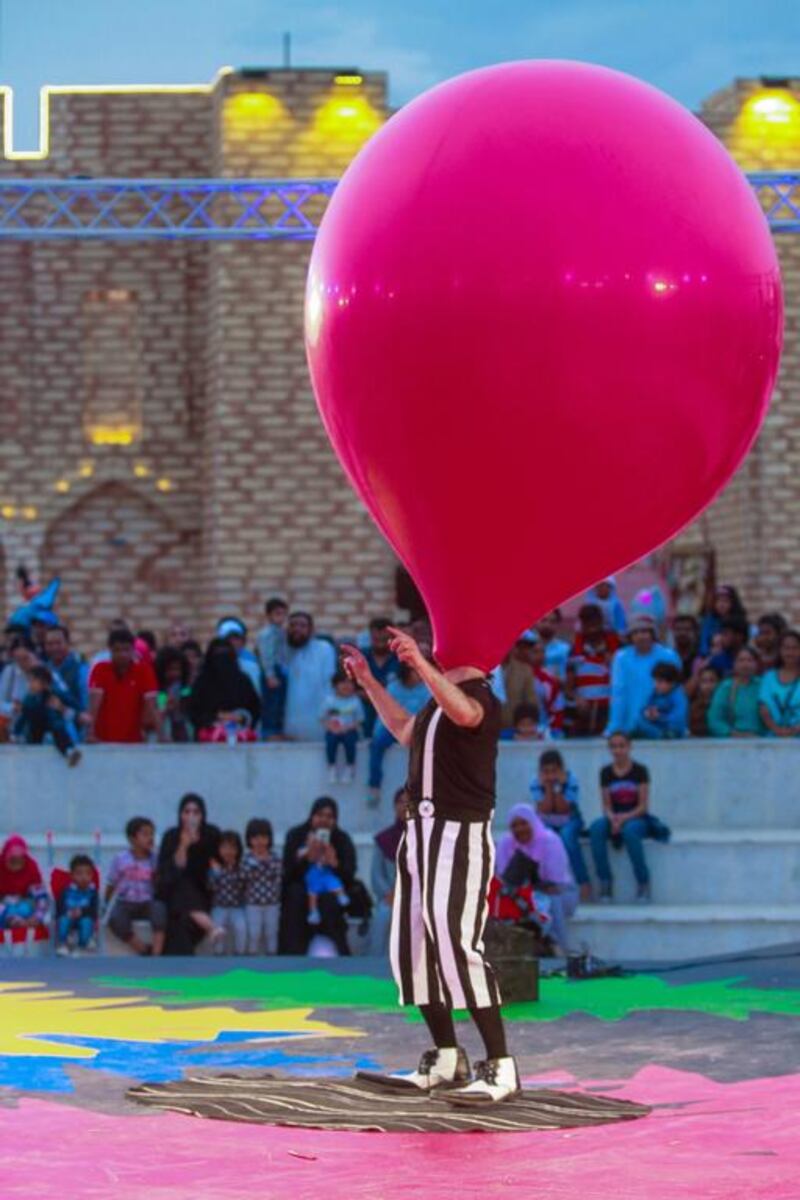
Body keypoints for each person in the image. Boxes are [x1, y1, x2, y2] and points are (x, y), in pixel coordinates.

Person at [343, 627, 520, 1106]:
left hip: (458, 833)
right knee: (413, 944)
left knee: (456, 941)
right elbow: (405, 730)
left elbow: (467, 715)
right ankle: (446, 1057)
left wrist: (421, 666)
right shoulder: (436, 703)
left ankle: (501, 1066)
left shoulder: (480, 696)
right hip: (420, 832)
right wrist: (368, 683)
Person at [590, 733, 668, 903]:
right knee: (596, 829)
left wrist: (623, 819)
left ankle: (643, 882)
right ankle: (605, 880)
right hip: (615, 817)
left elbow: (643, 806)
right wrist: (613, 819)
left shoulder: (640, 770)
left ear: (629, 747)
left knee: (631, 832)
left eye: (621, 746)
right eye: (614, 746)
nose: (618, 750)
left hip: (636, 817)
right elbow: (606, 806)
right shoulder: (605, 772)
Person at [494, 804, 578, 954]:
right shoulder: (506, 843)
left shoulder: (550, 841)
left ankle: (559, 947)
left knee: (551, 900)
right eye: (515, 825)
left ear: (533, 822)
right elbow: (505, 879)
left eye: (524, 823)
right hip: (524, 892)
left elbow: (555, 881)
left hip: (563, 892)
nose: (520, 829)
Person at [281, 797, 356, 956]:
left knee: (330, 899)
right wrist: (306, 858)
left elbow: (349, 876)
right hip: (302, 891)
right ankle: (293, 956)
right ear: (312, 816)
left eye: (330, 816)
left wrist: (334, 863)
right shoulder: (296, 835)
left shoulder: (342, 839)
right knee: (296, 894)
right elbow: (287, 875)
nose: (324, 820)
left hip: (329, 892)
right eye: (320, 815)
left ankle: (339, 956)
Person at [156, 794, 222, 954]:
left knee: (180, 922)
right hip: (173, 890)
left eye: (196, 812)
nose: (191, 816)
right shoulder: (171, 836)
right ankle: (210, 927)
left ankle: (181, 968)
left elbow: (217, 866)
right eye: (187, 812)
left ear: (202, 815)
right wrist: (184, 845)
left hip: (201, 892)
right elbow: (172, 870)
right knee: (181, 884)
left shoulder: (211, 834)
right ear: (180, 814)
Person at [604, 614, 681, 737]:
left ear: (652, 634)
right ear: (630, 636)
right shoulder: (622, 658)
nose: (640, 636)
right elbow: (618, 693)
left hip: (663, 725)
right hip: (630, 726)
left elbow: (676, 691)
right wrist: (615, 727)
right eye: (636, 632)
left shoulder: (669, 656)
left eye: (645, 631)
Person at [530, 749, 590, 902]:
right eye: (546, 771)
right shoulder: (536, 783)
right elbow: (545, 808)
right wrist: (549, 788)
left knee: (567, 837)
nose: (550, 775)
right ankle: (545, 885)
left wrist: (557, 787)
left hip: (570, 820)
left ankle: (583, 883)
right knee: (545, 840)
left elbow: (564, 808)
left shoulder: (571, 780)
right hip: (547, 821)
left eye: (554, 771)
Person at [367, 663, 430, 805]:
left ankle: (422, 789)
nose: (419, 674)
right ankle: (374, 787)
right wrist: (376, 734)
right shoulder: (393, 688)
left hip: (417, 730)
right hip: (393, 729)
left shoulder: (426, 689)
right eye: (415, 671)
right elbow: (383, 713)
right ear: (406, 673)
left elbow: (428, 715)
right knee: (376, 744)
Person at [106, 816, 167, 956]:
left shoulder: (155, 859)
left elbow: (159, 883)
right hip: (126, 901)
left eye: (152, 834)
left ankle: (157, 953)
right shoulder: (121, 859)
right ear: (132, 839)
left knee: (160, 910)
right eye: (145, 834)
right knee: (115, 918)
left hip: (147, 901)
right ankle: (143, 949)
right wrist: (107, 902)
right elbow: (111, 883)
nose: (150, 838)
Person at [87, 628, 159, 743]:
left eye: (126, 650)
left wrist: (162, 735)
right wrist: (90, 733)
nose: (122, 654)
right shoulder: (100, 669)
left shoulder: (144, 671)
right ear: (110, 650)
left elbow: (152, 705)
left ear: (133, 650)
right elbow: (94, 704)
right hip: (103, 741)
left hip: (134, 742)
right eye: (117, 650)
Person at [188, 638, 261, 742]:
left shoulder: (243, 681)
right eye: (218, 654)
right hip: (208, 743)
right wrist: (216, 717)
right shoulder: (202, 682)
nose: (222, 659)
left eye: (225, 654)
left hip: (240, 741)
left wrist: (240, 718)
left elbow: (255, 709)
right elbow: (194, 712)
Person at [566, 603, 621, 737]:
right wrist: (577, 698)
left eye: (594, 623)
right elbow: (568, 687)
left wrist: (613, 664)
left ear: (601, 622)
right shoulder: (574, 650)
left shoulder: (617, 648)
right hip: (583, 712)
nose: (591, 629)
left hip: (610, 711)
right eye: (587, 623)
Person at [284, 612, 338, 741]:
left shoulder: (324, 649)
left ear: (311, 630)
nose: (297, 629)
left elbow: (329, 684)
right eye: (293, 625)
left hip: (318, 720)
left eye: (302, 626)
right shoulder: (282, 651)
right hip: (289, 723)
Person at [14, 666, 82, 765]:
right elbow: (24, 717)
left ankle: (69, 751)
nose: (30, 685)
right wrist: (16, 733)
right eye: (29, 681)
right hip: (36, 730)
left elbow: (76, 707)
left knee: (56, 724)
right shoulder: (29, 699)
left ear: (44, 683)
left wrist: (61, 708)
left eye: (33, 681)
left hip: (53, 727)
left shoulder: (55, 694)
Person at [370, 787, 407, 955]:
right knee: (383, 916)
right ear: (394, 806)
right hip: (389, 897)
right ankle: (376, 964)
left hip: (417, 898)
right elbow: (376, 875)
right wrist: (388, 894)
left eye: (409, 802)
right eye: (400, 802)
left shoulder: (425, 839)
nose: (404, 806)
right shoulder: (383, 839)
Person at [242, 818, 282, 954]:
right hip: (252, 904)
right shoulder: (246, 859)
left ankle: (272, 961)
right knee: (254, 934)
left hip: (272, 904)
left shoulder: (275, 858)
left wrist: (261, 865)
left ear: (269, 839)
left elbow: (278, 878)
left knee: (272, 933)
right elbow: (243, 878)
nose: (259, 841)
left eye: (264, 837)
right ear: (249, 840)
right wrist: (257, 865)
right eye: (255, 838)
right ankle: (252, 962)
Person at [320, 669, 366, 784]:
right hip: (333, 731)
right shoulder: (328, 701)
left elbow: (360, 720)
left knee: (350, 741)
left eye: (350, 682)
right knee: (330, 740)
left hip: (349, 730)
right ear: (335, 685)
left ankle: (350, 767)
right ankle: (332, 767)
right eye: (343, 682)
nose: (347, 686)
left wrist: (347, 728)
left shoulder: (355, 701)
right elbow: (322, 718)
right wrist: (331, 728)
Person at [708, 647, 764, 738]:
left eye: (750, 660)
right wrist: (734, 734)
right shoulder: (726, 687)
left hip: (763, 741)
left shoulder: (763, 685)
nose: (745, 664)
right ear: (734, 664)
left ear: (756, 664)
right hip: (733, 741)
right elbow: (714, 720)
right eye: (741, 660)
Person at [0, 835, 49, 937]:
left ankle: (22, 923)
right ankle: (13, 922)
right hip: (4, 906)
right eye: (12, 860)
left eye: (19, 860)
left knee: (25, 908)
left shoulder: (31, 868)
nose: (16, 865)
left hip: (25, 905)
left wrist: (36, 917)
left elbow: (41, 897)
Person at [209, 831, 247, 956]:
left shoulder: (241, 867)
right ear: (218, 849)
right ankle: (219, 954)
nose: (228, 851)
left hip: (237, 907)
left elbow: (244, 886)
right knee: (217, 928)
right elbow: (211, 887)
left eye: (232, 847)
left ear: (238, 850)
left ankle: (239, 954)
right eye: (224, 847)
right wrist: (216, 872)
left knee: (241, 928)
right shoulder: (214, 867)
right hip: (219, 907)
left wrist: (234, 868)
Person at [360, 618, 400, 737]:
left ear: (392, 637)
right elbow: (349, 687)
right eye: (376, 639)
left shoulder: (400, 658)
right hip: (365, 707)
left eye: (384, 640)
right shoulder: (361, 657)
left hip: (392, 707)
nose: (380, 643)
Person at [256, 597, 289, 737]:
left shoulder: (280, 632)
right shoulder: (267, 634)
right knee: (271, 703)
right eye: (277, 613)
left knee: (280, 702)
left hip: (281, 669)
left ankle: (278, 729)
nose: (281, 617)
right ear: (269, 615)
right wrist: (270, 675)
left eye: (283, 613)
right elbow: (266, 655)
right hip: (272, 671)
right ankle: (269, 731)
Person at [759, 629, 800, 738]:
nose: (790, 652)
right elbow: (763, 707)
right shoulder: (769, 677)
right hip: (773, 739)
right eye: (786, 648)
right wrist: (776, 729)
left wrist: (797, 729)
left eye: (795, 648)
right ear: (780, 650)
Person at [55, 854, 98, 956]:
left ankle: (82, 945)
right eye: (79, 874)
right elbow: (59, 907)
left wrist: (82, 912)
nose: (84, 877)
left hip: (84, 917)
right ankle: (63, 944)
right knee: (63, 920)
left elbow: (94, 910)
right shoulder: (66, 891)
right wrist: (68, 912)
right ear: (72, 875)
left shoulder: (92, 892)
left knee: (87, 922)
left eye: (88, 873)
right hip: (68, 916)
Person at [635, 662, 688, 739]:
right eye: (655, 681)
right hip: (657, 728)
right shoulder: (654, 694)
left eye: (660, 682)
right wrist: (647, 713)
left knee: (674, 729)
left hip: (673, 730)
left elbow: (678, 719)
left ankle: (663, 735)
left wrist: (660, 717)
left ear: (672, 682)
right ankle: (660, 735)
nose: (656, 685)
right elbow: (644, 709)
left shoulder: (679, 697)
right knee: (638, 722)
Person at [154, 646, 193, 743]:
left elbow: (189, 701)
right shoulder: (160, 692)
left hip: (184, 730)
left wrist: (181, 702)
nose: (174, 673)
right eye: (170, 669)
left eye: (177, 669)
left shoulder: (185, 689)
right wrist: (166, 705)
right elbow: (160, 710)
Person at [498, 639, 541, 730]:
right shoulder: (482, 670)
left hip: (517, 730)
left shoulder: (525, 670)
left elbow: (531, 701)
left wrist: (527, 726)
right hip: (487, 730)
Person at [216, 617, 262, 697]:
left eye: (236, 639)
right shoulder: (213, 663)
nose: (233, 643)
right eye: (229, 639)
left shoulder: (251, 663)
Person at [699, 584, 748, 656]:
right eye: (718, 601)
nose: (721, 604)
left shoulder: (739, 621)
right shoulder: (709, 621)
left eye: (725, 601)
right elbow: (703, 644)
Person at [534, 610, 570, 680]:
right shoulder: (526, 647)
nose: (547, 625)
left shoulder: (565, 649)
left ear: (558, 625)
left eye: (552, 622)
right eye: (543, 620)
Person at [688, 665, 722, 736]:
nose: (708, 685)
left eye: (712, 681)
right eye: (704, 681)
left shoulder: (725, 705)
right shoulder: (694, 708)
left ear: (719, 683)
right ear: (699, 684)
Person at [670, 614, 702, 683]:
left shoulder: (700, 658)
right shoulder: (667, 658)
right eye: (678, 629)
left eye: (687, 629)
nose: (682, 633)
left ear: (695, 633)